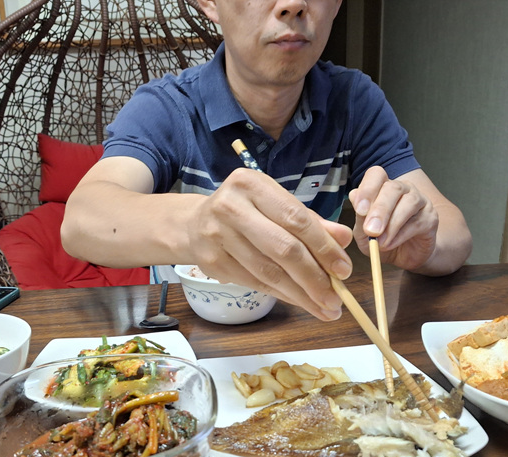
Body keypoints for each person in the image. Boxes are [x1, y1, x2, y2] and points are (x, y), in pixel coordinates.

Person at [61, 0, 472, 321]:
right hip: (186, 336)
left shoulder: (354, 101)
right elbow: (83, 220)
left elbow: (453, 231)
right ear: (210, 4)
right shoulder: (169, 107)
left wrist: (423, 244)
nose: (292, 6)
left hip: (308, 327)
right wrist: (197, 223)